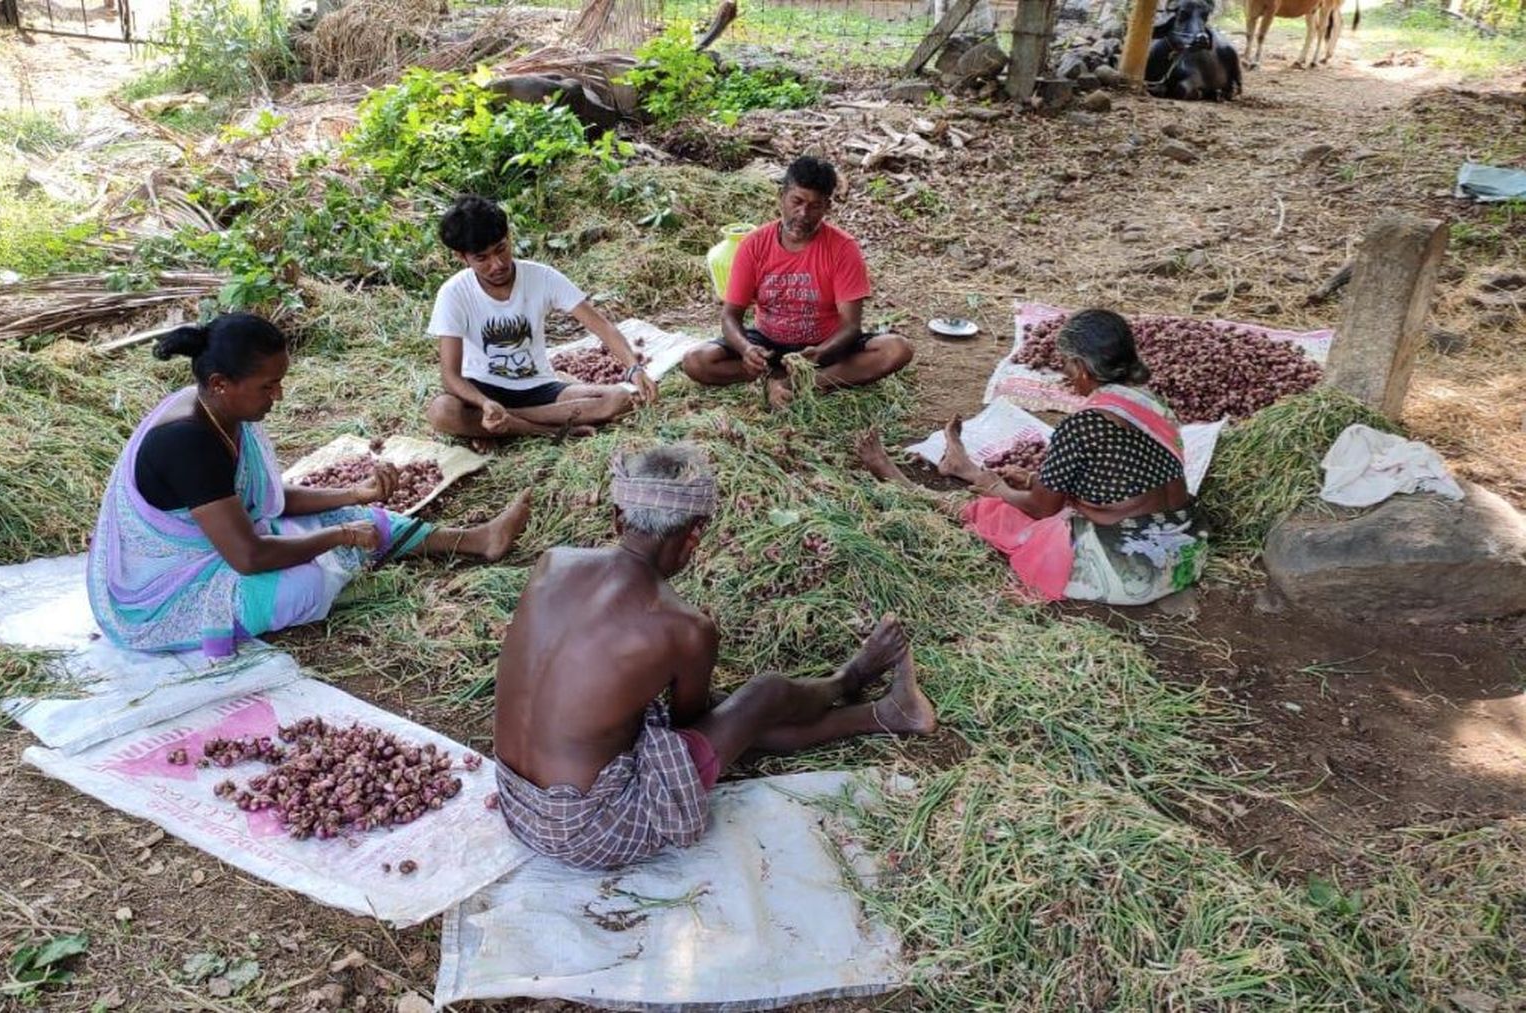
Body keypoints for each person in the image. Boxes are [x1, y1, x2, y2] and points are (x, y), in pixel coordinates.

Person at [491, 443, 937, 869]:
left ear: (617, 517)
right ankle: (854, 684)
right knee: (763, 696)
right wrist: (753, 700)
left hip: (518, 802)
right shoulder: (683, 627)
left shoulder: (552, 563)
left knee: (736, 712)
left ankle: (887, 710)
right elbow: (693, 723)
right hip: (592, 828)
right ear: (694, 535)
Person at [88, 313, 533, 659]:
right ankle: (342, 575)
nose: (278, 395)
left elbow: (267, 501)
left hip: (226, 544)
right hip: (170, 591)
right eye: (269, 386)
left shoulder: (222, 409)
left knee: (353, 517)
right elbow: (249, 557)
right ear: (221, 384)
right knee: (305, 585)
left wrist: (354, 495)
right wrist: (338, 537)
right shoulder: (188, 442)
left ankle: (476, 540)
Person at [856, 309, 1208, 606]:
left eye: (1066, 365)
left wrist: (994, 486)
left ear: (1082, 368)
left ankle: (906, 483)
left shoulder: (1083, 425)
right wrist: (1033, 480)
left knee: (1000, 513)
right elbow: (1117, 479)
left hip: (1128, 569)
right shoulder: (1154, 405)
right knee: (1033, 493)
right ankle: (964, 468)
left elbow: (1041, 508)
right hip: (1184, 550)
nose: (1066, 376)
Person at [680, 155, 913, 409]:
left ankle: (800, 383)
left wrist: (821, 353)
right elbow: (730, 316)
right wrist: (746, 349)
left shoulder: (843, 248)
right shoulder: (753, 245)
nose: (803, 214)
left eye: (815, 206)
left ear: (827, 207)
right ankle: (774, 377)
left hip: (824, 348)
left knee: (897, 349)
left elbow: (850, 327)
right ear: (782, 197)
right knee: (696, 361)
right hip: (767, 345)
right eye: (797, 201)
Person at [424, 195, 658, 439]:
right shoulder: (454, 293)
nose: (497, 264)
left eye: (501, 249)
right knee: (441, 411)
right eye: (482, 258)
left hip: (538, 387)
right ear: (461, 257)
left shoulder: (542, 277)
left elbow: (603, 327)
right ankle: (546, 430)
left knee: (618, 398)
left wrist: (634, 368)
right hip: (482, 390)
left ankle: (510, 424)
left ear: (509, 237)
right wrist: (484, 403)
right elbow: (450, 376)